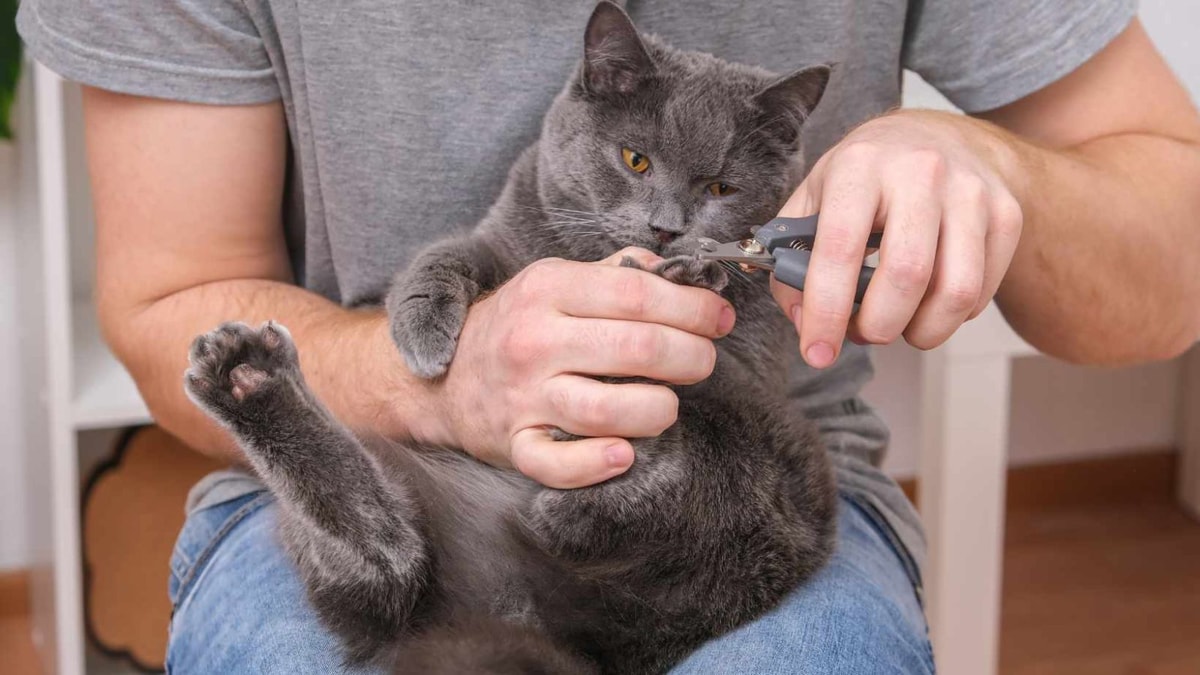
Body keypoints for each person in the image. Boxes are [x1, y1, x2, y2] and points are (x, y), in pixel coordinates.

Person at [18, 0, 1200, 671]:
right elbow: (174, 299)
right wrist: (432, 387)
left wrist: (991, 164)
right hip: (377, 450)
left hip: (727, 515)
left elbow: (1174, 249)